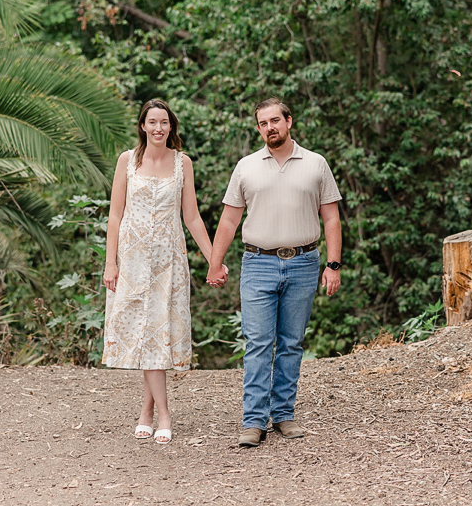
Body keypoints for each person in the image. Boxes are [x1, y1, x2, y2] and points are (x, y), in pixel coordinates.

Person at [206, 97, 342, 448]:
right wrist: (214, 262)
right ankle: (253, 421)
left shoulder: (316, 164)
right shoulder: (246, 167)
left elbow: (331, 217)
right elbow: (230, 218)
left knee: (291, 343)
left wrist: (333, 264)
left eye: (275, 121)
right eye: (263, 123)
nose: (270, 127)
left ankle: (283, 415)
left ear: (289, 121)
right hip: (258, 263)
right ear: (258, 128)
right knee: (258, 344)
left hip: (303, 262)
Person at [102, 98, 227, 445]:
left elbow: (192, 217)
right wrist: (111, 262)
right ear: (142, 125)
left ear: (171, 127)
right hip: (132, 260)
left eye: (164, 122)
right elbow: (115, 214)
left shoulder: (182, 163)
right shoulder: (128, 161)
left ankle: (149, 411)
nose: (158, 128)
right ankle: (162, 412)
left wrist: (213, 260)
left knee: (157, 335)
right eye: (152, 122)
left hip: (169, 262)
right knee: (145, 336)